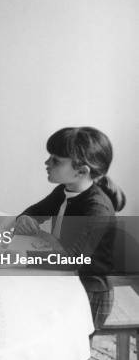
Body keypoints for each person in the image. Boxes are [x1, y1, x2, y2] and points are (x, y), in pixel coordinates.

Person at [7, 127, 125, 330]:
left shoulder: (97, 209)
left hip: (89, 292)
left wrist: (19, 257)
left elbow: (72, 259)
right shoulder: (64, 190)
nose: (47, 163)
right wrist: (26, 218)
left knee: (70, 346)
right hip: (64, 278)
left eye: (56, 160)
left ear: (82, 171)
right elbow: (37, 210)